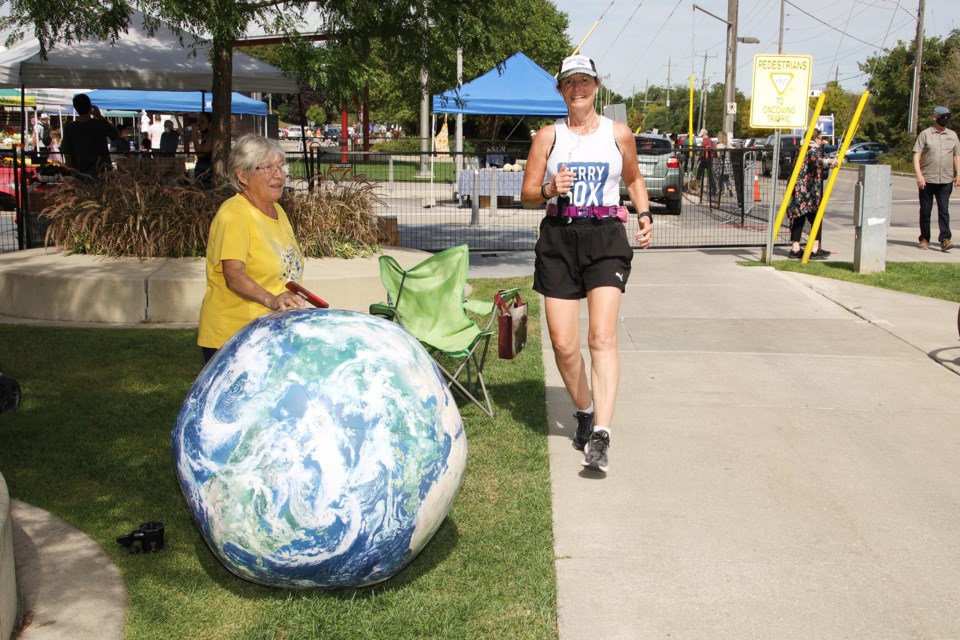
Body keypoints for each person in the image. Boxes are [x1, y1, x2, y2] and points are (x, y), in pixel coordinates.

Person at [521, 54, 653, 474]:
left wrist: (645, 214)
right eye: (569, 82)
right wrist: (548, 188)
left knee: (601, 337)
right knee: (563, 343)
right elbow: (526, 194)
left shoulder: (619, 133)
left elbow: (632, 178)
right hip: (559, 238)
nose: (578, 89)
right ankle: (584, 409)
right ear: (560, 89)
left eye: (585, 81)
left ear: (597, 85)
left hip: (605, 239)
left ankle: (601, 433)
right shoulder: (547, 136)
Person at [197, 135, 305, 363]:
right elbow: (234, 275)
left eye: (280, 166)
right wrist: (271, 300)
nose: (279, 174)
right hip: (234, 339)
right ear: (242, 175)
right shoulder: (234, 214)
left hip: (268, 334)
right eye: (267, 167)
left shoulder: (277, 211)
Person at [912, 105, 960, 252]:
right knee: (926, 211)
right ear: (935, 117)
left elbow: (956, 155)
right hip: (927, 179)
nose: (945, 119)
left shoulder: (952, 135)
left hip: (945, 180)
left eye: (947, 117)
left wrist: (958, 174)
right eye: (942, 116)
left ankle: (945, 239)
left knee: (944, 210)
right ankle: (924, 238)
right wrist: (919, 175)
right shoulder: (925, 134)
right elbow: (916, 155)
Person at [786, 129, 835, 259]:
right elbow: (816, 160)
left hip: (797, 190)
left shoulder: (801, 148)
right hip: (808, 191)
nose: (821, 141)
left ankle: (795, 249)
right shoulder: (812, 149)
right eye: (820, 138)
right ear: (815, 138)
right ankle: (814, 249)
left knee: (799, 218)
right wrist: (829, 161)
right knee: (816, 218)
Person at [60, 93, 119, 178]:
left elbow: (66, 151)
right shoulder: (100, 124)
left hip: (79, 173)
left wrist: (71, 171)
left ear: (75, 108)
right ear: (90, 106)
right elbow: (115, 135)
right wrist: (99, 116)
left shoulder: (69, 128)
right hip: (102, 172)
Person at [191, 112, 213, 187]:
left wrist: (194, 136)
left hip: (206, 175)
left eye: (203, 122)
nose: (199, 124)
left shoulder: (211, 137)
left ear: (210, 124)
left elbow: (200, 154)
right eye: (198, 121)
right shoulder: (205, 138)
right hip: (201, 174)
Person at [695, 127, 716, 195]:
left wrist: (698, 160)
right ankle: (714, 189)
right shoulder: (711, 141)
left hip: (704, 159)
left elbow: (702, 153)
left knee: (699, 174)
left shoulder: (704, 142)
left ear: (705, 134)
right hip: (710, 160)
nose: (701, 137)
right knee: (710, 175)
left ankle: (697, 188)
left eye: (702, 136)